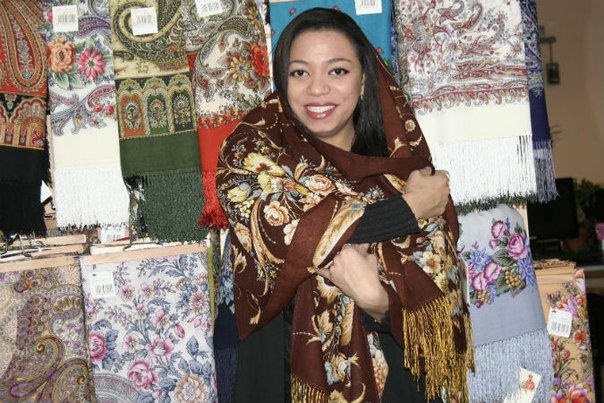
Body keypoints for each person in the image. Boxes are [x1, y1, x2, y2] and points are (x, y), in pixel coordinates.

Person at [216, 7, 474, 402]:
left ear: (364, 80)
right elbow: (295, 233)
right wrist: (407, 211)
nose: (317, 89)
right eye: (299, 72)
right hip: (278, 383)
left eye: (337, 70)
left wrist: (380, 304)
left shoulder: (405, 178)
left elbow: (440, 320)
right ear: (282, 82)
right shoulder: (250, 159)